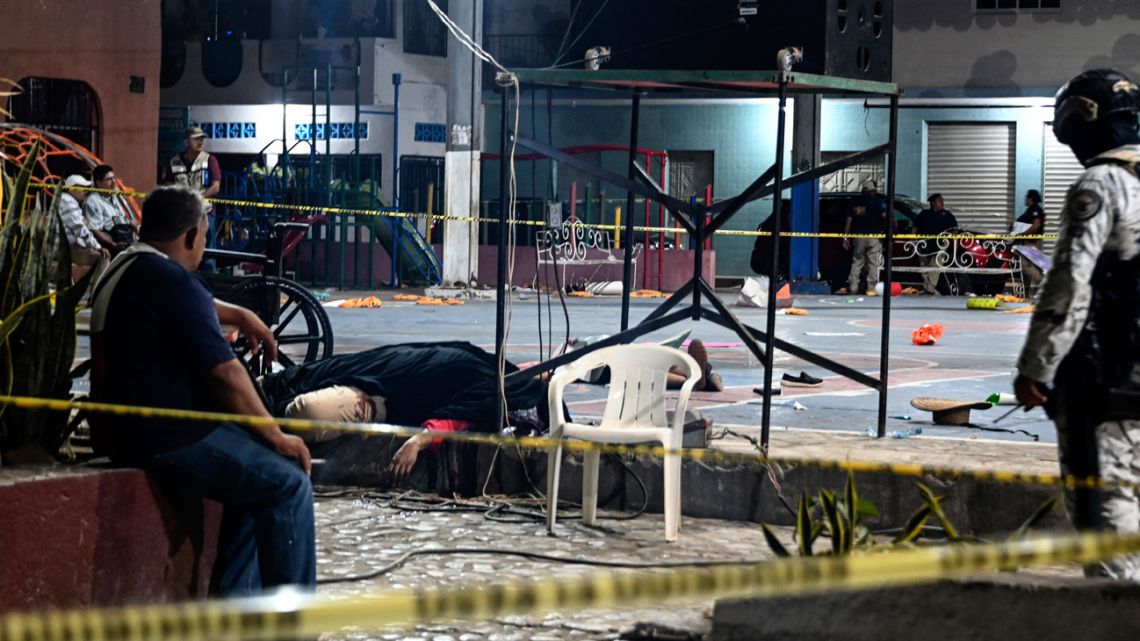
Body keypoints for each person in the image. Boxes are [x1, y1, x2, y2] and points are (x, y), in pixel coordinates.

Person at [89, 185, 315, 595]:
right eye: (205, 237)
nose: (203, 247)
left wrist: (241, 314)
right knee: (287, 482)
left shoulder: (128, 265)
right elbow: (225, 374)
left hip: (124, 428)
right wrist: (275, 435)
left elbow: (195, 304)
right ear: (192, 236)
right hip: (164, 436)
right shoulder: (171, 279)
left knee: (256, 482)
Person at [1013, 68, 1140, 582]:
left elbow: (1069, 285)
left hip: (1111, 384)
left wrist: (1035, 368)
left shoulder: (1101, 184)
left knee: (1106, 524)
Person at [257, 341, 548, 480]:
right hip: (385, 366)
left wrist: (418, 441)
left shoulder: (500, 389)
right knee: (310, 377)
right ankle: (259, 394)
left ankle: (261, 409)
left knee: (308, 411)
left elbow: (461, 414)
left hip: (383, 398)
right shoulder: (489, 368)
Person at [164, 126, 221, 269]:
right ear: (186, 142)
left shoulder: (210, 160)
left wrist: (197, 197)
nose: (200, 141)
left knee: (208, 253)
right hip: (182, 214)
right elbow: (168, 185)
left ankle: (209, 285)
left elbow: (216, 186)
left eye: (202, 138)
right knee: (183, 249)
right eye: (196, 139)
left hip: (205, 213)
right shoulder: (174, 161)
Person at [58, 174, 110, 289]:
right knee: (103, 257)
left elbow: (83, 226)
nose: (85, 191)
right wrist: (97, 247)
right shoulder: (68, 202)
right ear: (72, 189)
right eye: (82, 188)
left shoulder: (68, 201)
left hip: (68, 247)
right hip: (66, 249)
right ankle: (95, 295)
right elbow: (80, 228)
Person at [842, 178, 889, 294]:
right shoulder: (878, 201)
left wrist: (845, 237)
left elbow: (849, 220)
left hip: (858, 236)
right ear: (874, 190)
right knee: (874, 263)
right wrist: (889, 229)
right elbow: (885, 216)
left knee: (857, 262)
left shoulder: (854, 201)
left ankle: (853, 286)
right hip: (874, 237)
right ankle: (871, 289)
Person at [84, 164, 136, 253]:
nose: (114, 182)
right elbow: (95, 230)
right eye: (109, 179)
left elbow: (125, 218)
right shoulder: (92, 201)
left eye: (114, 178)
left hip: (126, 237)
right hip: (113, 243)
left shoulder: (115, 197)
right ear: (99, 183)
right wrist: (112, 244)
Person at [915, 193, 959, 295]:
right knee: (924, 267)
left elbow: (954, 230)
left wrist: (950, 241)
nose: (943, 203)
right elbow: (915, 227)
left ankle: (929, 289)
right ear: (934, 203)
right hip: (924, 244)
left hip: (939, 245)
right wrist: (912, 240)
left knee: (935, 267)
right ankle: (928, 288)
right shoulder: (924, 214)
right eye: (940, 201)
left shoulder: (947, 215)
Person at [1011, 189, 1047, 293]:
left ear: (1030, 198)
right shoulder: (1030, 210)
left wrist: (1023, 234)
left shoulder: (1035, 210)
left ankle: (1042, 283)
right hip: (1028, 242)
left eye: (1026, 197)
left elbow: (1036, 225)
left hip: (1032, 242)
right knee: (1029, 267)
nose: (1025, 199)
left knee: (1025, 266)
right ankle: (1026, 292)